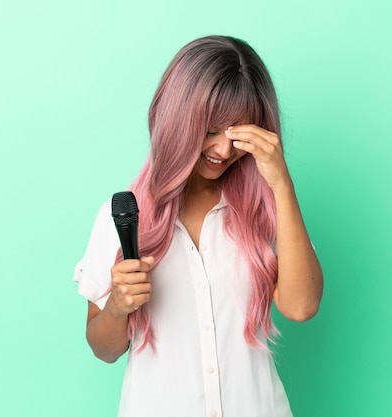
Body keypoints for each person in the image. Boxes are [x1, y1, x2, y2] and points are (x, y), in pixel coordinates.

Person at [74, 35, 323, 417]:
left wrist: (282, 184)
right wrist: (118, 307)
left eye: (238, 133)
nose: (224, 151)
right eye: (211, 129)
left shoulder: (265, 208)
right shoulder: (124, 215)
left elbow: (301, 306)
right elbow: (104, 349)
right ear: (178, 119)